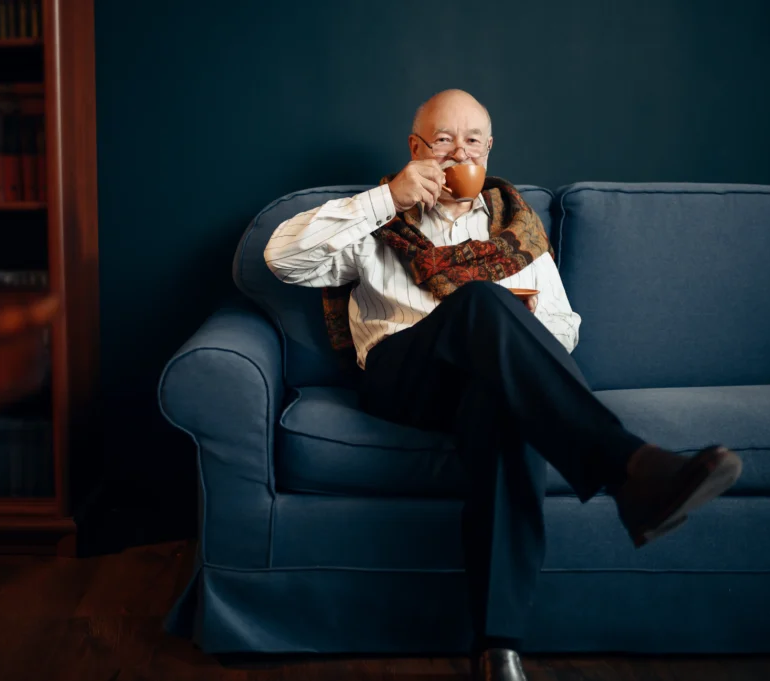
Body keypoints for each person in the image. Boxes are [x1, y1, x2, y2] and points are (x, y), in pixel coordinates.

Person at [263, 89, 742, 681]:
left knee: (504, 401)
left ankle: (498, 651)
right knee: (481, 302)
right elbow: (282, 259)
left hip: (481, 379)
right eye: (442, 141)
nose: (457, 152)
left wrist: (516, 336)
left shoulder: (517, 231)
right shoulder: (376, 219)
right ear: (416, 149)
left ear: (488, 151)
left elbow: (563, 326)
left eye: (471, 141)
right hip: (403, 374)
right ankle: (629, 467)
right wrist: (387, 196)